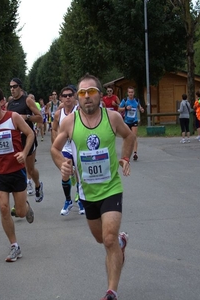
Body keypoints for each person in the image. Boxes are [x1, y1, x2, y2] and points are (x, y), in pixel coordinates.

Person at [51, 74, 136, 300]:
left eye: (91, 92)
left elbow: (129, 136)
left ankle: (111, 292)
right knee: (102, 239)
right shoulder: (70, 122)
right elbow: (55, 149)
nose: (86, 97)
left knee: (108, 239)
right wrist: (63, 165)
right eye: (82, 93)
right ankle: (121, 242)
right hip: (86, 192)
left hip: (111, 188)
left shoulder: (113, 117)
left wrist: (125, 158)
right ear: (78, 98)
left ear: (100, 94)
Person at [0, 87, 35, 263]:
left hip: (16, 170)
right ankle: (14, 246)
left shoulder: (13, 118)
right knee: (4, 208)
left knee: (19, 213)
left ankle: (25, 207)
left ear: (2, 102)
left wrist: (24, 153)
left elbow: (30, 134)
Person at [7, 78, 44, 201]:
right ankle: (21, 200)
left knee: (30, 168)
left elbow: (40, 118)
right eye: (11, 87)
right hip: (15, 140)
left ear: (20, 88)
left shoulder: (27, 100)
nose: (12, 89)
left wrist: (26, 117)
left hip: (28, 138)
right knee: (18, 169)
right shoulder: (10, 104)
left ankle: (38, 185)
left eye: (15, 86)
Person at [51, 86, 85, 216]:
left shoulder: (80, 110)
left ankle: (81, 199)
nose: (67, 97)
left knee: (79, 174)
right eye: (64, 96)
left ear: (75, 96)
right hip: (66, 148)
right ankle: (68, 200)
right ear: (61, 98)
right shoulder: (58, 114)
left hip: (79, 147)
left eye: (70, 95)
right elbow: (54, 128)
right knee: (65, 172)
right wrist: (55, 142)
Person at [118, 86, 144, 161]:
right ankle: (125, 153)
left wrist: (141, 109)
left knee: (134, 136)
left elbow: (139, 107)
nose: (131, 94)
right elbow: (119, 109)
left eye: (132, 92)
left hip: (134, 121)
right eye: (129, 92)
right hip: (126, 121)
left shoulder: (136, 100)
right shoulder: (125, 100)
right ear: (127, 93)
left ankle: (135, 153)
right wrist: (126, 108)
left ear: (134, 93)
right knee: (126, 137)